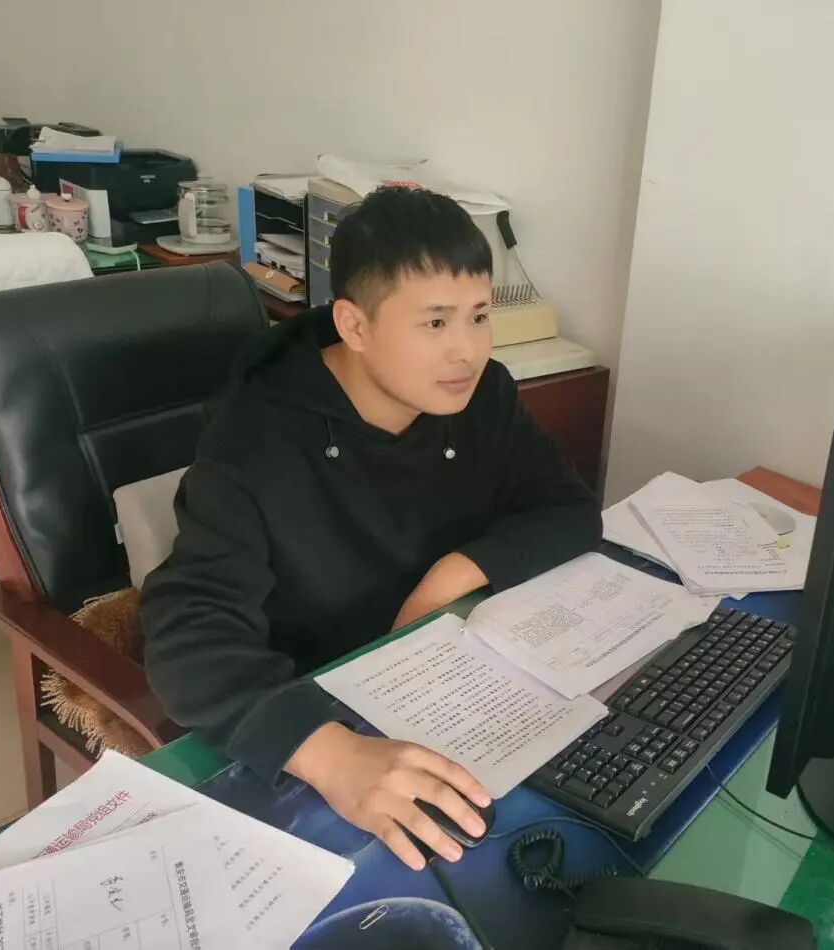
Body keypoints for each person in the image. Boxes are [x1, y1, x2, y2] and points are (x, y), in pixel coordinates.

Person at [141, 186, 601, 871]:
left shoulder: (484, 396)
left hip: (458, 677)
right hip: (327, 718)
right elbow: (188, 633)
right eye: (435, 322)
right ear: (354, 326)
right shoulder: (255, 439)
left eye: (479, 316)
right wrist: (330, 753)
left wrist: (448, 576)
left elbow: (567, 509)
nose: (467, 351)